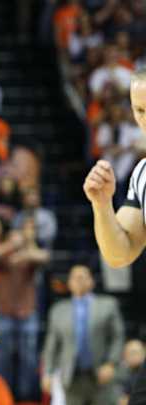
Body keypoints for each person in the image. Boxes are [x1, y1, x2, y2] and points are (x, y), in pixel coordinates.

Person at [83, 68, 146, 405]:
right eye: (140, 111)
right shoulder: (142, 173)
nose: (145, 120)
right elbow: (119, 253)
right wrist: (102, 204)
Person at [41, 265, 124, 405]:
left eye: (83, 276)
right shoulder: (58, 310)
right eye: (75, 277)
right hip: (71, 377)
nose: (79, 280)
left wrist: (111, 363)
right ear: (69, 283)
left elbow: (117, 337)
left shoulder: (108, 305)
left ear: (92, 281)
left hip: (101, 375)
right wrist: (47, 373)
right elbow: (51, 345)